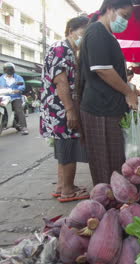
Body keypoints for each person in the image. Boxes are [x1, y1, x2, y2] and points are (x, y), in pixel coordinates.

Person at [79, 0, 136, 185]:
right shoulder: (96, 31)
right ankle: (107, 204)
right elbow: (102, 69)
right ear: (110, 9)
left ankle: (115, 201)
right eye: (124, 16)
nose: (125, 21)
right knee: (105, 164)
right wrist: (129, 92)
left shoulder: (106, 34)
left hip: (109, 108)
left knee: (115, 160)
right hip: (100, 109)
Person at [40, 16, 90, 202]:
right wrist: (70, 110)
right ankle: (68, 190)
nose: (85, 37)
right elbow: (61, 81)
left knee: (63, 146)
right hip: (60, 108)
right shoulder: (61, 49)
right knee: (69, 146)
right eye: (83, 32)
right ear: (71, 30)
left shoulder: (67, 50)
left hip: (56, 108)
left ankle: (62, 185)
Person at [0, 63, 28, 135]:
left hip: (15, 97)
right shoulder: (1, 78)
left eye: (10, 69)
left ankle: (24, 127)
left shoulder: (18, 77)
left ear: (13, 70)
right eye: (7, 69)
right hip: (4, 97)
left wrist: (18, 90)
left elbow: (22, 86)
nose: (8, 71)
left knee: (19, 110)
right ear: (4, 70)